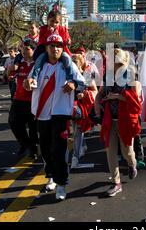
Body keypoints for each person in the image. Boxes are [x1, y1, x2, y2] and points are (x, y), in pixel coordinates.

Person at [30, 34, 85, 201]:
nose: (55, 49)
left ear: (63, 48)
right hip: (42, 114)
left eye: (59, 46)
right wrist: (28, 83)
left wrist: (74, 85)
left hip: (60, 113)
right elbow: (29, 82)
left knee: (59, 150)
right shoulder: (39, 66)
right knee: (45, 149)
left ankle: (61, 183)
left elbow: (82, 82)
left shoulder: (67, 66)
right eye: (52, 45)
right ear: (47, 48)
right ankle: (52, 176)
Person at [94, 48, 141, 197]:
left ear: (125, 62)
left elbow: (136, 101)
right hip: (109, 120)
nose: (116, 66)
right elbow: (101, 93)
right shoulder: (108, 76)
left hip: (125, 120)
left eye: (119, 62)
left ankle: (132, 164)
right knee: (110, 152)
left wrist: (117, 96)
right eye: (114, 62)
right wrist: (97, 103)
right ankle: (116, 183)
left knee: (127, 152)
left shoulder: (132, 76)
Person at [8, 39, 38, 160]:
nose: (24, 51)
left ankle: (33, 149)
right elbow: (9, 76)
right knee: (13, 122)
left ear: (33, 50)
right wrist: (9, 71)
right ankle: (25, 144)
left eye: (27, 49)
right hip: (18, 99)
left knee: (33, 127)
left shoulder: (38, 64)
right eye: (22, 49)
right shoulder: (19, 63)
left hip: (33, 101)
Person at [71, 53, 98, 169]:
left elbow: (95, 91)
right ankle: (82, 147)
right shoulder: (68, 74)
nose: (73, 64)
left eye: (76, 62)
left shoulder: (86, 75)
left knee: (78, 131)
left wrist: (85, 94)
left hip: (81, 108)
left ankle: (75, 157)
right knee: (76, 131)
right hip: (69, 107)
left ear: (81, 63)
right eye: (72, 62)